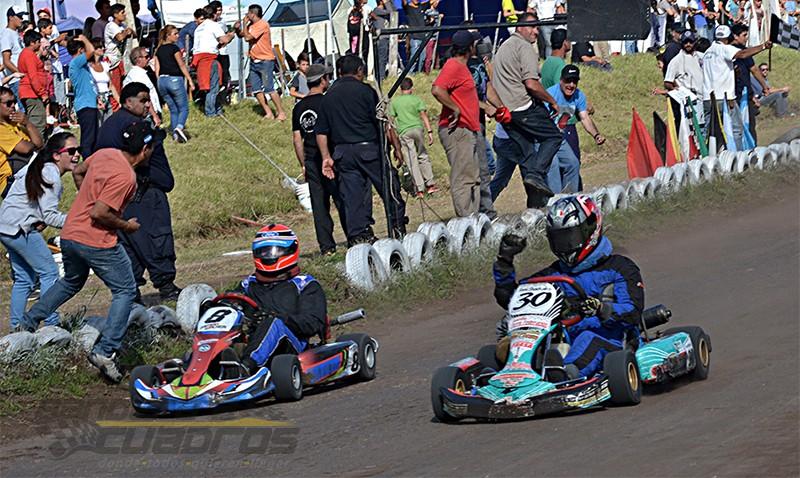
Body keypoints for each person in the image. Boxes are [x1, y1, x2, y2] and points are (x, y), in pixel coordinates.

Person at [22, 121, 163, 382]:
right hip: (96, 241)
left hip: (70, 235)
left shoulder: (105, 153)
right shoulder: (126, 177)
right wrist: (127, 226)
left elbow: (78, 172)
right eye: (153, 147)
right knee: (125, 290)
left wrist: (85, 196)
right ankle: (105, 350)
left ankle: (29, 321)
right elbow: (100, 213)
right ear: (144, 150)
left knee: (71, 282)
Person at [493, 194, 645, 379]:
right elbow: (513, 300)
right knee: (512, 345)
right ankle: (505, 376)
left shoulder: (620, 268)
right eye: (559, 239)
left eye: (569, 238)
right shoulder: (552, 275)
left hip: (610, 338)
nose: (565, 246)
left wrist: (600, 308)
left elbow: (632, 311)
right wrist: (504, 262)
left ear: (590, 230)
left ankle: (564, 376)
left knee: (587, 339)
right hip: (560, 338)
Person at [95, 82, 181, 302]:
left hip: (119, 196)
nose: (147, 104)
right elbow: (130, 160)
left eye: (148, 99)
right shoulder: (133, 126)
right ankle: (166, 287)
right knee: (156, 238)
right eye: (142, 100)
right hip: (142, 191)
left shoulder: (110, 124)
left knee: (129, 245)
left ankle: (130, 294)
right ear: (127, 102)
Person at [317, 54, 408, 245]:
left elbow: (321, 132)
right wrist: (395, 147)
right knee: (389, 187)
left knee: (353, 197)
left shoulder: (328, 96)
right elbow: (383, 123)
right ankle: (398, 227)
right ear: (359, 71)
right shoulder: (366, 91)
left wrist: (326, 157)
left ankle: (359, 236)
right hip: (369, 149)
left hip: (342, 153)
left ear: (339, 72)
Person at [0, 133, 79, 331]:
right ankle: (51, 323)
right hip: (19, 229)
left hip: (6, 226)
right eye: (71, 151)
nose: (77, 155)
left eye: (78, 150)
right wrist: (79, 221)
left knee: (24, 279)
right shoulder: (51, 174)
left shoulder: (41, 166)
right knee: (49, 272)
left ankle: (17, 328)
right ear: (56, 155)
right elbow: (50, 216)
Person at [232, 224, 327, 375]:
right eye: (263, 251)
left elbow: (313, 323)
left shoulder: (305, 284)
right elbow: (232, 304)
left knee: (274, 324)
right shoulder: (248, 284)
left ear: (290, 250)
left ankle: (245, 368)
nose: (268, 256)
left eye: (274, 251)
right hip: (252, 340)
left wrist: (280, 318)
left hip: (292, 345)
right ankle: (194, 369)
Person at [492, 13, 562, 208]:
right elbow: (531, 84)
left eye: (537, 28)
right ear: (520, 28)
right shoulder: (524, 47)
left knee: (528, 158)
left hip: (507, 114)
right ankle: (537, 174)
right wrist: (552, 101)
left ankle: (535, 209)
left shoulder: (503, 47)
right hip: (522, 107)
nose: (535, 31)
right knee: (554, 137)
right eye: (532, 27)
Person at [292, 64, 347, 255]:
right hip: (330, 158)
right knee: (341, 198)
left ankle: (326, 247)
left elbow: (297, 139)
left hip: (311, 160)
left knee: (319, 204)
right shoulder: (328, 102)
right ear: (323, 80)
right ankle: (353, 236)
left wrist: (303, 163)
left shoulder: (298, 108)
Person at [432, 31, 484, 217]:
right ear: (470, 47)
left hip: (467, 129)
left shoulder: (462, 67)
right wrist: (455, 108)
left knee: (473, 177)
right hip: (457, 130)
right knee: (463, 178)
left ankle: (474, 219)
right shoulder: (453, 65)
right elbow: (437, 89)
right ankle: (466, 222)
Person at [701, 24, 770, 149]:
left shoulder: (707, 53)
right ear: (729, 38)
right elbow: (743, 54)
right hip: (724, 99)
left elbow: (718, 71)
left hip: (707, 99)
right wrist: (763, 46)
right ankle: (739, 156)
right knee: (736, 129)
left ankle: (710, 157)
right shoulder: (725, 49)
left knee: (712, 132)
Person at [545, 65, 605, 194]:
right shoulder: (550, 94)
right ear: (561, 80)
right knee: (553, 167)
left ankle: (570, 197)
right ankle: (555, 202)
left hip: (559, 138)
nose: (571, 85)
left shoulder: (579, 96)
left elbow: (584, 118)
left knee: (573, 164)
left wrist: (596, 135)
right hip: (545, 138)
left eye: (574, 81)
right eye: (568, 81)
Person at [236, 4, 286, 121]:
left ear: (253, 14)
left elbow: (248, 38)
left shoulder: (262, 24)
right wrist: (239, 28)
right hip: (254, 61)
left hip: (265, 61)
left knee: (269, 88)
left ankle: (281, 112)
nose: (247, 15)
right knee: (256, 89)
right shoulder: (251, 25)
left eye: (248, 13)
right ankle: (268, 113)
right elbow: (242, 35)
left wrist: (244, 24)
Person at [390, 77, 437, 198]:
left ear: (400, 89)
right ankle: (430, 184)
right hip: (418, 129)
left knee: (411, 159)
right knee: (423, 155)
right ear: (411, 88)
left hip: (404, 132)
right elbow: (424, 115)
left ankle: (419, 188)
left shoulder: (395, 102)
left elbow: (391, 119)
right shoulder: (416, 99)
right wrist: (430, 131)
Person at [0, 86, 44, 196]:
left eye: (14, 102)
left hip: (27, 175)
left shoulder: (17, 123)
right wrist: (32, 144)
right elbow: (25, 148)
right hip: (10, 182)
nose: (13, 106)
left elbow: (39, 144)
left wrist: (28, 123)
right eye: (8, 103)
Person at [154, 25, 194, 142]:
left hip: (162, 80)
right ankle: (179, 127)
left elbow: (157, 68)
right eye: (175, 34)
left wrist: (159, 80)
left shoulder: (158, 49)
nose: (177, 36)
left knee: (173, 109)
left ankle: (175, 135)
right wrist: (190, 80)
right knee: (184, 108)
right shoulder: (174, 48)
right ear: (168, 35)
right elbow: (181, 65)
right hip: (174, 79)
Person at [192, 5, 234, 117]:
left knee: (209, 88)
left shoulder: (198, 29)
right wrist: (231, 35)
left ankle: (216, 109)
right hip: (210, 60)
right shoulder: (213, 25)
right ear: (213, 15)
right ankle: (211, 112)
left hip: (200, 61)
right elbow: (223, 39)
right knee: (214, 88)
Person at [731, 23, 768, 143]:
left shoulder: (745, 51)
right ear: (735, 36)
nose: (746, 38)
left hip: (746, 94)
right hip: (733, 95)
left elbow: (754, 69)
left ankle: (753, 150)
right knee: (737, 126)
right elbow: (745, 59)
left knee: (750, 125)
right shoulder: (730, 51)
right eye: (744, 35)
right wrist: (763, 46)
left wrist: (764, 86)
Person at [67, 35, 99, 159]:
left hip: (89, 104)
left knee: (93, 138)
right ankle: (86, 164)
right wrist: (84, 38)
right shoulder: (76, 62)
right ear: (80, 50)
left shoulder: (80, 65)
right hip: (85, 106)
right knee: (88, 140)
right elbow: (91, 51)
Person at [17, 30, 47, 136]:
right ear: (32, 42)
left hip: (30, 92)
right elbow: (33, 76)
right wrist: (42, 93)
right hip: (32, 93)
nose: (39, 44)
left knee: (34, 120)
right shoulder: (29, 55)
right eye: (38, 42)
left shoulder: (26, 54)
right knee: (38, 122)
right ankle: (37, 149)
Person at [104, 3, 136, 97]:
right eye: (122, 12)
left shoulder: (122, 26)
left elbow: (134, 35)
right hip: (113, 61)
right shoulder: (111, 26)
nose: (125, 14)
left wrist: (129, 31)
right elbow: (119, 37)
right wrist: (126, 32)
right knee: (115, 87)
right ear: (115, 14)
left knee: (124, 86)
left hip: (121, 60)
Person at [123, 47, 162, 123]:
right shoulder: (137, 75)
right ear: (138, 59)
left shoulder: (141, 73)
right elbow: (144, 97)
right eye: (146, 57)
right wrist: (154, 115)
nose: (148, 59)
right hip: (146, 116)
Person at [663, 30, 704, 97]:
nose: (688, 44)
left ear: (695, 42)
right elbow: (668, 82)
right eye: (685, 42)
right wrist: (677, 90)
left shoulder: (702, 56)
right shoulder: (676, 60)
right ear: (681, 43)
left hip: (704, 96)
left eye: (690, 42)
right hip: (688, 99)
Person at [88, 38, 119, 124]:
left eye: (103, 46)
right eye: (100, 47)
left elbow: (111, 85)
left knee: (109, 124)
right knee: (99, 125)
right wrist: (97, 100)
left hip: (107, 97)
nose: (103, 48)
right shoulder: (88, 67)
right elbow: (89, 86)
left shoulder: (105, 65)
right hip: (96, 99)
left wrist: (119, 100)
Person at [1, 8, 26, 107]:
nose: (22, 19)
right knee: (23, 109)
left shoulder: (15, 33)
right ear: (11, 17)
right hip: (16, 80)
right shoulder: (6, 35)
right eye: (19, 16)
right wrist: (20, 74)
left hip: (20, 78)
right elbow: (6, 61)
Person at [208, 1, 231, 96]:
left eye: (220, 10)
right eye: (217, 10)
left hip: (223, 52)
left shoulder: (222, 22)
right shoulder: (208, 23)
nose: (219, 12)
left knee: (225, 73)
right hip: (214, 53)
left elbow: (225, 35)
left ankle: (224, 95)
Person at [403, 0, 428, 74]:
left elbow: (431, 2)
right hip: (414, 37)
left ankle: (419, 72)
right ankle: (409, 73)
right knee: (414, 57)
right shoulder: (408, 8)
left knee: (423, 57)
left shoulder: (421, 6)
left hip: (423, 36)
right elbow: (404, 3)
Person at [371, 0, 391, 81]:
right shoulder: (377, 10)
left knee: (384, 58)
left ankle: (381, 76)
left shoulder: (382, 11)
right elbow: (391, 11)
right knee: (381, 59)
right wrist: (386, 2)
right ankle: (380, 77)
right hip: (382, 38)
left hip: (386, 38)